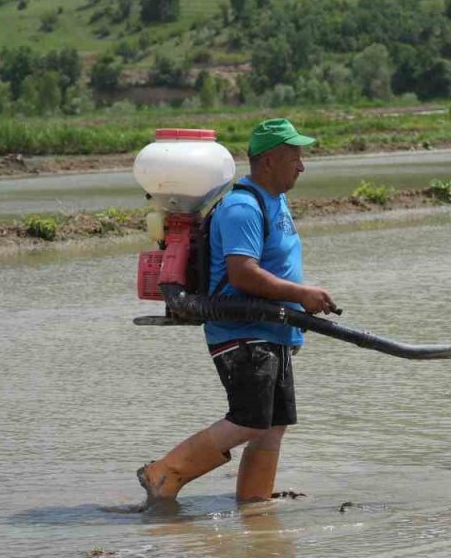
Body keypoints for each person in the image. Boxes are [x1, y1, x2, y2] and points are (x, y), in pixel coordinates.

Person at [137, 118, 337, 510]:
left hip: (272, 330)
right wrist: (303, 294)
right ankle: (164, 472)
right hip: (242, 331)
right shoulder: (242, 207)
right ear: (268, 161)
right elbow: (242, 274)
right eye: (294, 156)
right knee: (248, 419)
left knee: (272, 425)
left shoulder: (274, 200)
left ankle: (254, 503)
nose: (302, 165)